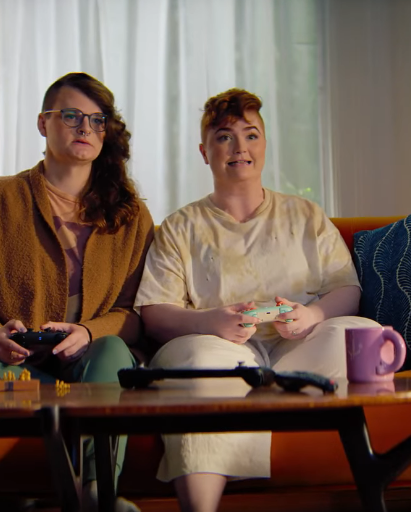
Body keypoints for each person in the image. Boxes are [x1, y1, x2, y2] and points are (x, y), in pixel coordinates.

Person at [134, 88, 382, 512]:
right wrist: (210, 321)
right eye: (224, 137)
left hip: (300, 347)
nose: (239, 148)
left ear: (265, 145)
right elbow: (155, 314)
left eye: (250, 135)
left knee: (363, 333)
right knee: (198, 363)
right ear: (204, 152)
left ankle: (272, 399)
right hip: (218, 348)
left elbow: (348, 289)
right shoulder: (180, 227)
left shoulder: (306, 215)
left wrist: (311, 314)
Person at [0, 72, 153, 512]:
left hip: (89, 358)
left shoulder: (132, 214)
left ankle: (94, 491)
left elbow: (134, 314)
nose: (85, 127)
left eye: (97, 120)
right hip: (12, 359)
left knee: (113, 353)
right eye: (71, 116)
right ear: (42, 122)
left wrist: (88, 332)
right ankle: (70, 406)